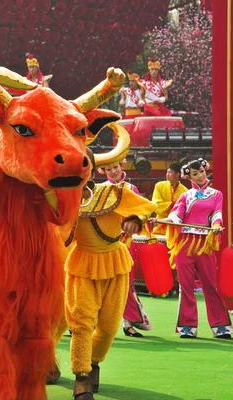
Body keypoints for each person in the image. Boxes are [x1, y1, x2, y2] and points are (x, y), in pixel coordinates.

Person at [67, 149, 156, 398]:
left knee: (108, 327)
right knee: (81, 323)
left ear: (92, 169)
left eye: (82, 167)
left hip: (114, 264)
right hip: (81, 264)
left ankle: (94, 361)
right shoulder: (62, 197)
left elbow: (147, 207)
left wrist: (136, 220)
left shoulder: (113, 192)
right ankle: (81, 376)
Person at [156, 158, 233, 339]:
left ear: (206, 171)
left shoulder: (216, 194)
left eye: (201, 172)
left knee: (209, 284)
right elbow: (176, 215)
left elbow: (217, 213)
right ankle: (188, 325)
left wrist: (216, 225)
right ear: (188, 176)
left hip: (204, 243)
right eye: (195, 173)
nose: (200, 176)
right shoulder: (185, 196)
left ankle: (220, 325)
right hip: (185, 244)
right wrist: (161, 220)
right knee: (186, 285)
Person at [101, 160, 154, 338]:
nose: (114, 171)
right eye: (109, 168)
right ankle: (91, 322)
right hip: (103, 242)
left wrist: (138, 220)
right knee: (99, 282)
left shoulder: (131, 188)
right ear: (104, 171)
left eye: (116, 167)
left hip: (125, 243)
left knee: (126, 281)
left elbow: (141, 210)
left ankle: (128, 322)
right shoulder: (101, 189)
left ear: (121, 167)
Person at [151, 163, 188, 235]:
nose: (167, 174)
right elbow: (156, 204)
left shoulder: (185, 191)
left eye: (170, 172)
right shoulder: (159, 185)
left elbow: (184, 211)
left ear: (177, 175)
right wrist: (172, 205)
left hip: (175, 227)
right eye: (167, 172)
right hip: (159, 225)